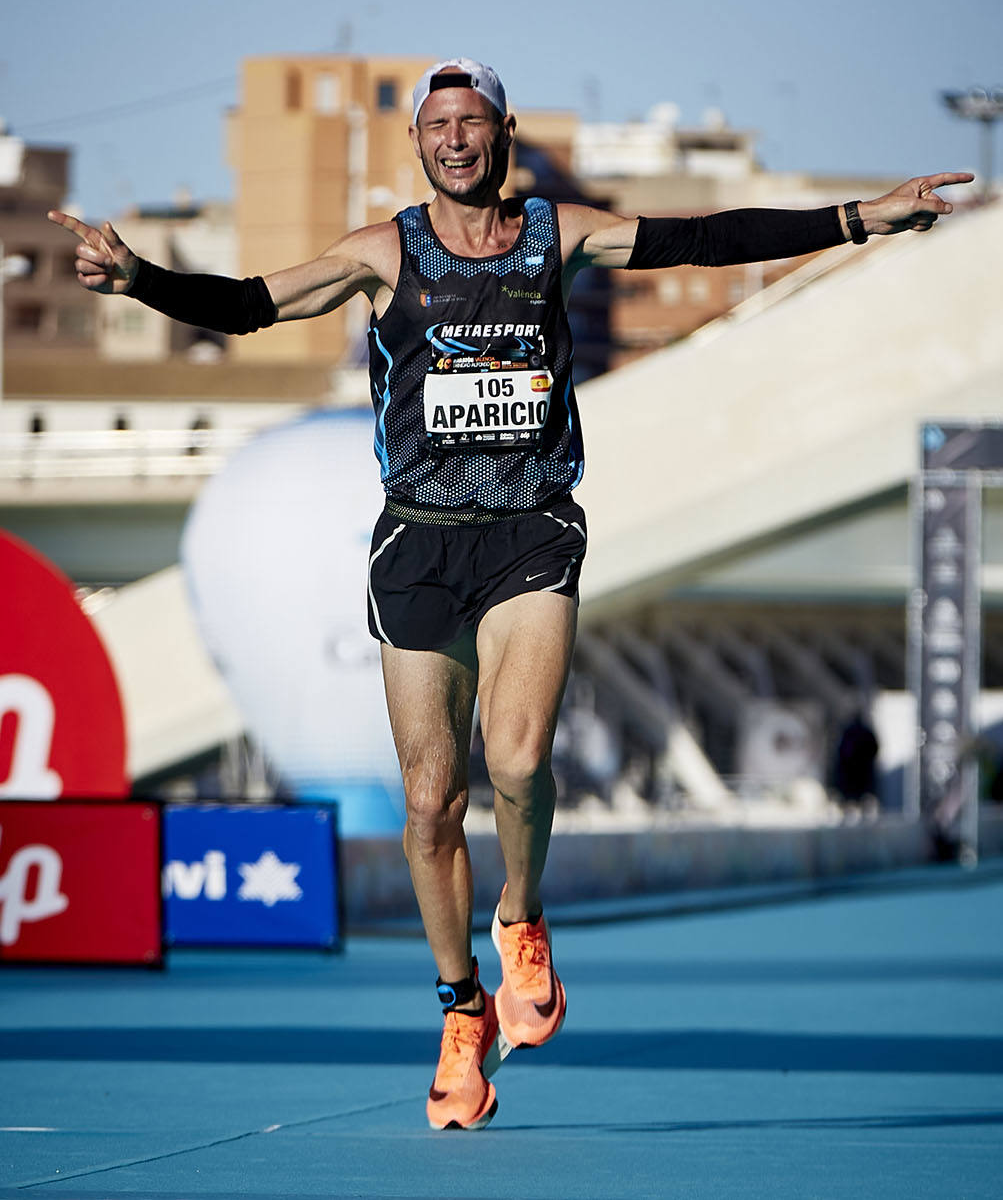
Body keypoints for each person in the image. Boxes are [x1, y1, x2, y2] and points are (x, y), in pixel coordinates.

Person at [49, 57, 972, 1131]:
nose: (453, 139)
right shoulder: (382, 252)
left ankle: (522, 918)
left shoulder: (555, 232)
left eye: (471, 122)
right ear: (419, 142)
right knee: (431, 800)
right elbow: (252, 304)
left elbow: (704, 237)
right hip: (417, 549)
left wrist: (861, 218)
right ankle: (459, 1007)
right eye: (436, 124)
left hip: (530, 532)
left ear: (504, 133)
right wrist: (143, 278)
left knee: (520, 757)